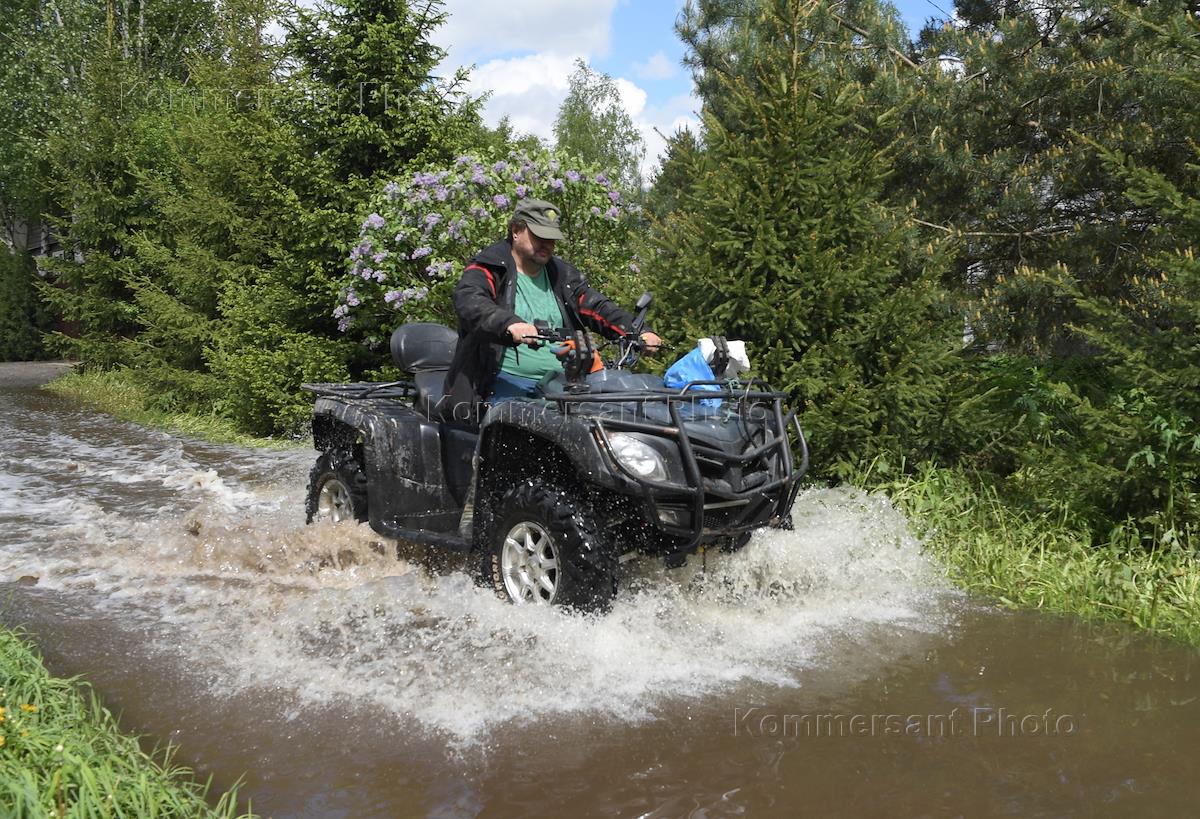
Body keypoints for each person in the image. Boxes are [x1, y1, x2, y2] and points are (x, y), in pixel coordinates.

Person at [441, 198, 661, 422]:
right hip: (498, 386)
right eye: (539, 236)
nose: (547, 244)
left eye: (552, 238)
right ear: (516, 230)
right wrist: (508, 324)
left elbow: (597, 306)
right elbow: (470, 301)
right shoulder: (489, 267)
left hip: (562, 388)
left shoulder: (561, 275)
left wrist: (638, 330)